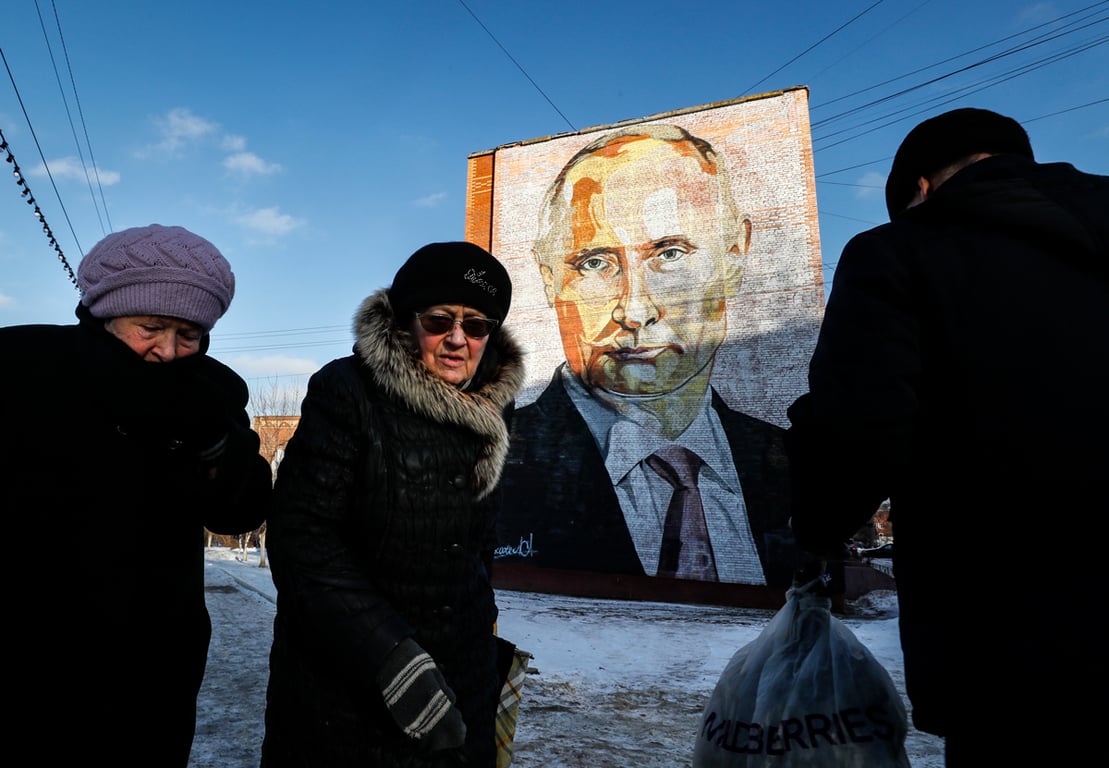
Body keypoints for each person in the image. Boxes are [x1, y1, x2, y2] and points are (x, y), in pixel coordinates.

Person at [784, 107, 1109, 764]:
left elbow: (860, 421)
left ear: (921, 187)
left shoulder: (898, 251)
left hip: (1012, 636)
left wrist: (816, 528)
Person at [0, 223, 273, 765]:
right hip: (27, 663)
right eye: (150, 327)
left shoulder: (212, 391)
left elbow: (239, 510)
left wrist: (215, 442)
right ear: (106, 312)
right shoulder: (21, 368)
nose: (168, 351)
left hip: (151, 672)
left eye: (189, 335)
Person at [496, 123, 801, 589]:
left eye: (670, 253)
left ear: (735, 256)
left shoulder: (787, 460)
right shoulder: (494, 463)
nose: (634, 310)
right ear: (548, 277)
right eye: (595, 263)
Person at [260, 241, 525, 767]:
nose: (456, 339)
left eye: (475, 325)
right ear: (406, 323)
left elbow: (478, 545)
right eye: (439, 320)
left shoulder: (493, 409)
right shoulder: (348, 391)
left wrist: (480, 638)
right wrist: (392, 659)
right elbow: (302, 543)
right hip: (349, 685)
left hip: (461, 679)